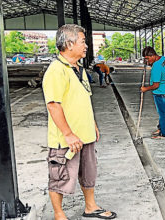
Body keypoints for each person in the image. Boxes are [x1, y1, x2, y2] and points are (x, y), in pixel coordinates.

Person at [42, 24, 116, 220]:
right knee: (59, 176)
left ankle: (90, 206)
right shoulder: (56, 70)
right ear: (69, 43)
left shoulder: (79, 69)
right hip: (66, 139)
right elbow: (53, 105)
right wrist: (68, 133)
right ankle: (59, 214)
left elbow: (83, 99)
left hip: (85, 135)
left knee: (88, 173)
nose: (86, 46)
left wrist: (92, 124)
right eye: (83, 42)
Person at [140, 46, 165, 139]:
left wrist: (145, 89)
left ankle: (164, 134)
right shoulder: (163, 59)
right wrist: (150, 63)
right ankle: (161, 128)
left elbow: (155, 85)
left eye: (147, 58)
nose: (147, 61)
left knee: (163, 113)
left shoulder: (156, 67)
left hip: (160, 92)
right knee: (162, 111)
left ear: (152, 55)